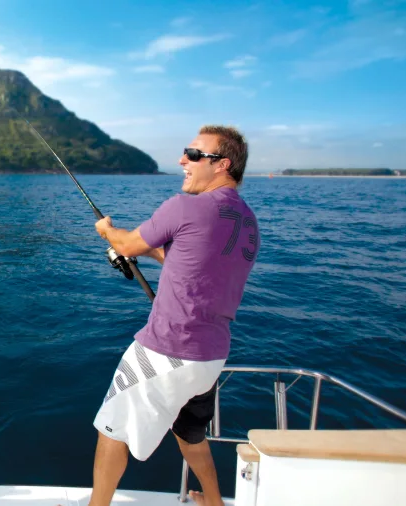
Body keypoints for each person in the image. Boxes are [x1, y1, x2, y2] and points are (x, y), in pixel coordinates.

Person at [90, 126, 259, 506]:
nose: (182, 160)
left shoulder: (184, 206)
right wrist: (151, 251)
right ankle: (215, 503)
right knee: (190, 436)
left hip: (166, 351)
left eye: (193, 154)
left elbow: (127, 243)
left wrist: (107, 230)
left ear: (222, 165)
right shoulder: (248, 223)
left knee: (111, 431)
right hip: (210, 359)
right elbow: (190, 261)